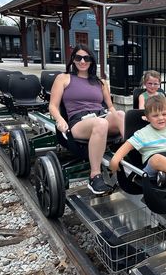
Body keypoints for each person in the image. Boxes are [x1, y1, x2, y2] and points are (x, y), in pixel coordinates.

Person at [49, 44, 125, 195]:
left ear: (91, 61)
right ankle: (94, 176)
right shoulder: (63, 78)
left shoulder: (100, 82)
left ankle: (132, 157)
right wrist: (60, 120)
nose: (82, 61)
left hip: (100, 116)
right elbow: (53, 106)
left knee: (122, 114)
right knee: (101, 123)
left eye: (86, 58)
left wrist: (116, 117)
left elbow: (110, 107)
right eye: (78, 57)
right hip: (78, 121)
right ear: (73, 60)